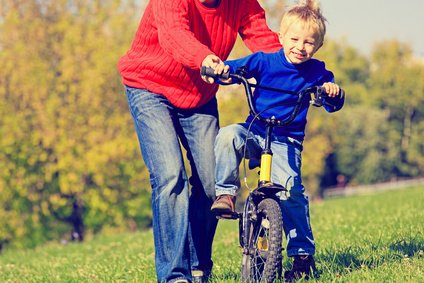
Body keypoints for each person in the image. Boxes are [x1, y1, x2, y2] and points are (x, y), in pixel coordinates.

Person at [117, 0, 281, 282]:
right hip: (148, 86)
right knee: (170, 177)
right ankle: (174, 276)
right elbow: (174, 34)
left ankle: (197, 265)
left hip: (198, 96)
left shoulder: (241, 3)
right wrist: (205, 58)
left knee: (212, 184)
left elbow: (263, 39)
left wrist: (297, 67)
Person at [209, 0, 345, 281]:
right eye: (294, 39)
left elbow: (332, 101)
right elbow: (236, 69)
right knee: (227, 136)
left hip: (286, 140)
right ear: (281, 37)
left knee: (292, 193)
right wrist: (223, 71)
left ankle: (302, 256)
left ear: (318, 46)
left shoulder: (317, 71)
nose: (300, 46)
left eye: (309, 42)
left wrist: (331, 91)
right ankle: (225, 193)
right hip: (254, 131)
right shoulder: (264, 60)